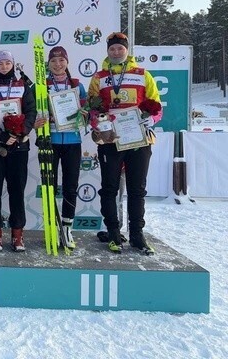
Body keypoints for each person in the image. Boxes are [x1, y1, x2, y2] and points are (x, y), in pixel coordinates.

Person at [88, 32, 162, 254]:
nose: (116, 52)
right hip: (111, 139)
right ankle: (113, 232)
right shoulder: (98, 77)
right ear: (107, 51)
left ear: (127, 50)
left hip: (138, 139)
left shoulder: (143, 74)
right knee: (109, 188)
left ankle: (137, 235)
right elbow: (92, 108)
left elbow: (156, 105)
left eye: (120, 48)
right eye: (112, 49)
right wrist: (99, 125)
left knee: (137, 189)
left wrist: (152, 118)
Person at [0, 51, 36, 252]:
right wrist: (0, 135)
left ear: (13, 64)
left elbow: (31, 112)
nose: (4, 66)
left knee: (17, 190)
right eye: (0, 63)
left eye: (7, 63)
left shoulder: (22, 87)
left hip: (19, 146)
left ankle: (17, 234)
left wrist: (21, 132)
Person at [44, 46, 87, 249]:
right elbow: (34, 111)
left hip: (73, 141)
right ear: (48, 64)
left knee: (71, 186)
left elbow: (88, 112)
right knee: (49, 187)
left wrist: (84, 115)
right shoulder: (42, 85)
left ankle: (67, 228)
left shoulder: (77, 85)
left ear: (67, 62)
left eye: (61, 60)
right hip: (51, 140)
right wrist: (45, 118)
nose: (58, 64)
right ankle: (52, 228)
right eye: (54, 61)